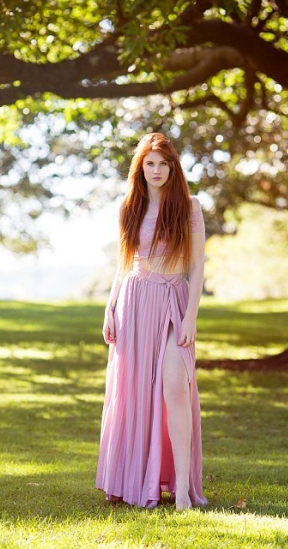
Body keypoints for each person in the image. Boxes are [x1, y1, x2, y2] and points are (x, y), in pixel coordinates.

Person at [96, 132, 208, 510]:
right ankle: (134, 480)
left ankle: (180, 490)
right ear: (140, 168)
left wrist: (190, 317)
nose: (156, 170)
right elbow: (124, 264)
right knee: (135, 394)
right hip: (133, 302)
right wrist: (109, 307)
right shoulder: (129, 207)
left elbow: (196, 267)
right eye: (150, 164)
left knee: (175, 385)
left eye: (163, 163)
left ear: (173, 167)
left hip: (173, 302)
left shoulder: (190, 207)